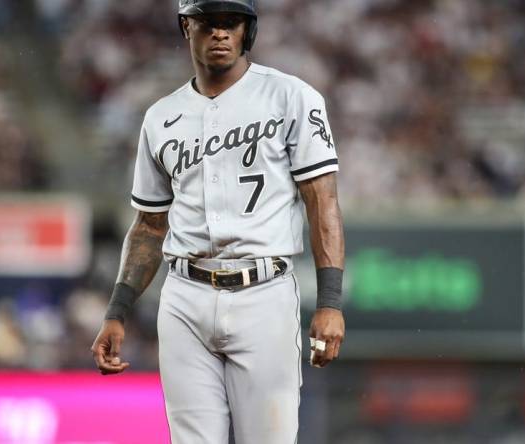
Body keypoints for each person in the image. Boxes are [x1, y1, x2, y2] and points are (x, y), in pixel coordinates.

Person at [91, 1, 345, 442]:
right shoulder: (160, 117)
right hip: (185, 297)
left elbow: (322, 203)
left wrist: (330, 301)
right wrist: (117, 310)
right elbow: (150, 225)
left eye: (232, 23)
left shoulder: (291, 97)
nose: (221, 34)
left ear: (248, 29)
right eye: (210, 23)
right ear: (187, 26)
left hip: (264, 294)